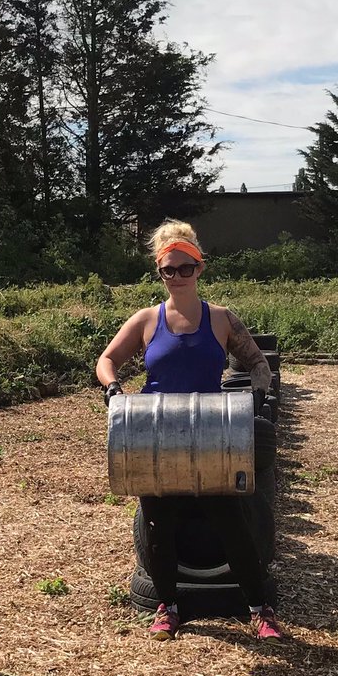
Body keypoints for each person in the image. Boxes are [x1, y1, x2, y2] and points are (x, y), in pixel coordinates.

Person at [96, 219, 285, 641]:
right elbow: (106, 360)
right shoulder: (146, 320)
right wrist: (113, 390)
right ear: (159, 272)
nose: (177, 276)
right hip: (155, 433)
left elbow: (257, 365)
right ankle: (167, 609)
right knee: (159, 526)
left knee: (232, 524)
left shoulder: (221, 320)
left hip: (211, 433)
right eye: (169, 270)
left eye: (186, 268)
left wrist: (253, 400)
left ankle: (260, 610)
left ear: (200, 268)